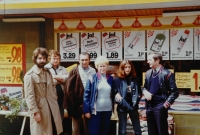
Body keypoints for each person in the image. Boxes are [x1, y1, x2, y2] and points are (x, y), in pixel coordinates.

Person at [24, 47, 63, 135]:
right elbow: (29, 96)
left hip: (52, 107)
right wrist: (35, 112)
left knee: (54, 130)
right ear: (35, 59)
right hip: (40, 109)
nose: (42, 60)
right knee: (41, 132)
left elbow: (53, 85)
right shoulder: (29, 76)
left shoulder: (47, 72)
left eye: (44, 58)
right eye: (40, 58)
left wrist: (54, 96)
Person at [142, 52, 179, 135]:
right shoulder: (148, 73)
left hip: (160, 106)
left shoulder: (167, 74)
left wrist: (165, 105)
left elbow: (175, 92)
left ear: (157, 60)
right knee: (151, 131)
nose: (147, 62)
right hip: (149, 106)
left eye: (150, 60)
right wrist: (145, 92)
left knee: (162, 131)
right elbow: (144, 87)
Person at [64, 52, 96, 135]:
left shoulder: (93, 71)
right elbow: (68, 88)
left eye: (86, 60)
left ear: (89, 60)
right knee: (75, 129)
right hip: (76, 102)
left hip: (88, 102)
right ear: (78, 60)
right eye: (82, 60)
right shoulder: (74, 71)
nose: (84, 62)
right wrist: (70, 103)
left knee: (88, 127)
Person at [83, 56, 114, 135]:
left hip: (107, 110)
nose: (102, 68)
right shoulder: (91, 78)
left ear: (107, 66)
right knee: (94, 132)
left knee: (105, 132)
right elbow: (86, 95)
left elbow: (114, 92)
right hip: (95, 111)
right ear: (97, 67)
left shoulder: (111, 78)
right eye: (100, 66)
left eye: (104, 66)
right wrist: (87, 110)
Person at [114, 60, 142, 135]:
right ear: (122, 68)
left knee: (137, 130)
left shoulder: (136, 79)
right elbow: (114, 94)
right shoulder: (117, 80)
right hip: (122, 106)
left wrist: (136, 101)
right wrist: (123, 103)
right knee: (122, 130)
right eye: (125, 67)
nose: (127, 69)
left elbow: (139, 92)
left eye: (129, 67)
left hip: (133, 106)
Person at [45, 50, 68, 120]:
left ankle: (60, 131)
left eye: (57, 59)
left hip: (62, 96)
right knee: (51, 116)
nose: (56, 60)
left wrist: (54, 77)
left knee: (60, 115)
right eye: (54, 58)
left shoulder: (63, 69)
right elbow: (48, 82)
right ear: (49, 59)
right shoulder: (45, 68)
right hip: (51, 96)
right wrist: (60, 79)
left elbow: (67, 79)